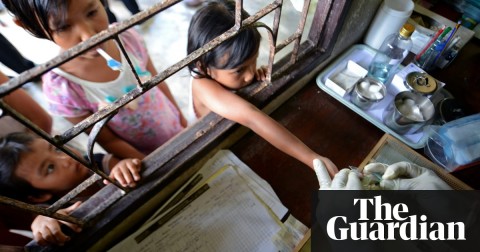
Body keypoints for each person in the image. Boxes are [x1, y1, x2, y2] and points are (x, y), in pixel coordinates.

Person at [2, 0, 187, 160]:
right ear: (29, 26)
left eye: (91, 12)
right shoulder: (62, 88)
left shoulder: (127, 37)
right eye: (64, 27)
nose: (89, 36)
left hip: (176, 128)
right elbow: (107, 140)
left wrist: (182, 120)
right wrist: (152, 162)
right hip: (144, 155)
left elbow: (159, 82)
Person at [186, 0, 337, 175]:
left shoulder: (227, 72)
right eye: (239, 70)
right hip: (205, 147)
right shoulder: (202, 86)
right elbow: (252, 117)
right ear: (204, 66)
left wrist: (255, 76)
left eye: (254, 61)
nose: (250, 75)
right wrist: (312, 158)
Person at [0, 132, 142, 246]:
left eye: (55, 148)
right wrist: (41, 223)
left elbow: (133, 170)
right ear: (39, 196)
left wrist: (125, 166)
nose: (65, 158)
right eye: (50, 167)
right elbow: (41, 222)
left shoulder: (99, 163)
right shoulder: (50, 209)